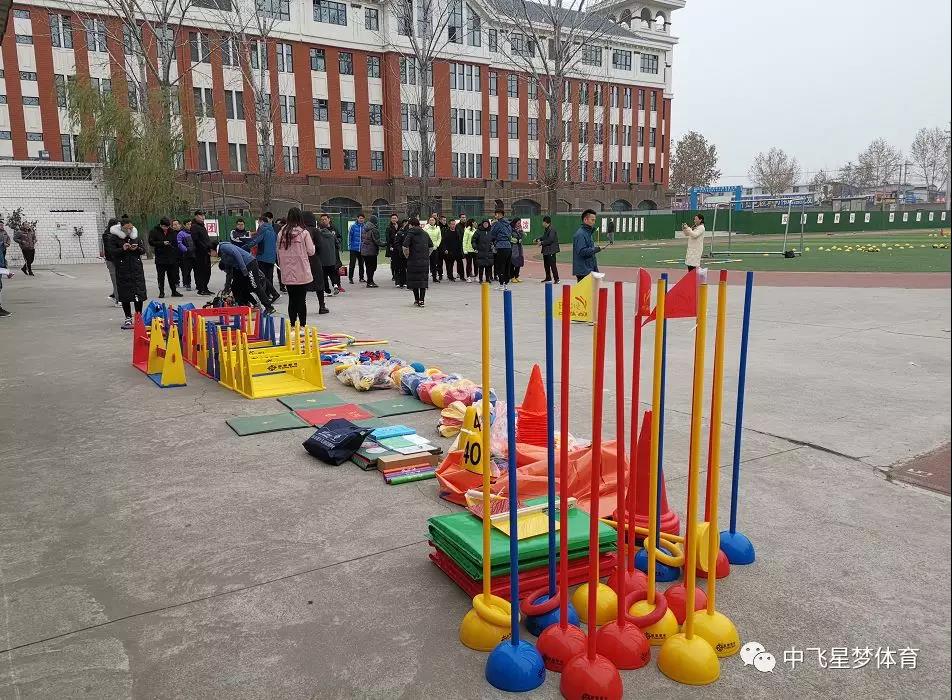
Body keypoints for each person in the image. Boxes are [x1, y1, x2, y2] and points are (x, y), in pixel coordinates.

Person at [105, 216, 148, 329]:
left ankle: (139, 316)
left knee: (139, 292)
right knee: (125, 294)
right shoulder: (114, 237)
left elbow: (143, 250)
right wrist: (122, 249)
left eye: (131, 228)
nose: (129, 230)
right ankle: (128, 317)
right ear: (121, 227)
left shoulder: (135, 235)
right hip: (122, 268)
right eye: (126, 228)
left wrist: (136, 248)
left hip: (136, 267)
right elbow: (111, 252)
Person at [277, 208, 316, 326]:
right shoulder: (304, 233)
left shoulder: (281, 234)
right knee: (301, 300)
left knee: (292, 299)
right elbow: (311, 251)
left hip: (287, 271)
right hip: (301, 271)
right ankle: (303, 325)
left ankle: (293, 325)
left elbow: (277, 252)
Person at [215, 240, 275, 314]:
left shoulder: (224, 247)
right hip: (239, 268)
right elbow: (229, 274)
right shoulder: (223, 256)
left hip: (249, 264)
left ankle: (269, 307)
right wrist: (227, 288)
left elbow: (237, 254)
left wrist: (243, 269)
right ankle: (243, 306)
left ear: (212, 250)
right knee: (236, 287)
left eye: (210, 253)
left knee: (255, 286)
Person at [148, 217, 182, 299]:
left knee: (172, 276)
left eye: (167, 226)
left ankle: (174, 291)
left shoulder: (172, 231)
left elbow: (175, 243)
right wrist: (162, 243)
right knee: (161, 276)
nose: (166, 228)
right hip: (160, 257)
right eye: (164, 227)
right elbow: (151, 242)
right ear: (161, 225)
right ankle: (161, 292)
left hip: (171, 257)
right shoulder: (154, 231)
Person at [304, 211, 331, 315]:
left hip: (304, 261)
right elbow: (320, 246)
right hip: (314, 260)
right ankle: (321, 306)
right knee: (319, 283)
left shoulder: (302, 231)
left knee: (303, 284)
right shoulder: (315, 231)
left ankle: (302, 306)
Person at [403, 217, 432, 307]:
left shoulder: (410, 233)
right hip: (424, 261)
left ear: (411, 225)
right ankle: (422, 300)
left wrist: (407, 255)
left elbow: (405, 246)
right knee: (423, 281)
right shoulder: (425, 233)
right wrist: (426, 255)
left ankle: (416, 299)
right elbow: (431, 246)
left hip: (413, 261)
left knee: (414, 280)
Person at [572, 209, 601, 282]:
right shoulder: (580, 234)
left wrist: (595, 269)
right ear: (585, 220)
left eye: (594, 220)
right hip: (583, 271)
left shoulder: (588, 233)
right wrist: (596, 249)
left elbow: (590, 254)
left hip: (589, 269)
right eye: (592, 220)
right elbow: (582, 251)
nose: (594, 222)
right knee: (584, 290)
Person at [317, 213, 343, 296]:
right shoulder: (319, 231)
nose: (323, 221)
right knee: (330, 272)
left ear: (329, 219)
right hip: (327, 255)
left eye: (325, 219)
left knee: (334, 271)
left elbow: (339, 238)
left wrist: (336, 243)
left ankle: (336, 286)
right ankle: (333, 286)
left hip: (333, 253)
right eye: (322, 219)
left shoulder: (334, 228)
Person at [190, 210, 213, 295]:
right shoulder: (194, 226)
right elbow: (196, 241)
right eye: (201, 215)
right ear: (196, 216)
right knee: (201, 271)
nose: (203, 217)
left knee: (207, 271)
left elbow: (205, 239)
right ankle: (201, 289)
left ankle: (205, 288)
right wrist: (205, 248)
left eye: (203, 215)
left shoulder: (202, 226)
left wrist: (210, 247)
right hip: (199, 253)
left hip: (206, 252)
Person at [490, 208, 513, 289]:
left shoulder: (497, 224)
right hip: (508, 246)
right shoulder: (508, 224)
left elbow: (492, 234)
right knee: (507, 265)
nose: (495, 216)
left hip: (501, 246)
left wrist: (492, 225)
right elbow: (510, 234)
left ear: (499, 214)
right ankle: (506, 284)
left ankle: (501, 284)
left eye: (496, 214)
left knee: (500, 265)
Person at [101, 217, 120, 304]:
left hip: (117, 259)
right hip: (111, 260)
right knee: (115, 280)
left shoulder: (116, 234)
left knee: (119, 279)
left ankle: (114, 295)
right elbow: (110, 249)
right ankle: (118, 300)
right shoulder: (107, 235)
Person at [536, 215, 561, 283]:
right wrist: (537, 239)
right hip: (546, 251)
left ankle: (556, 279)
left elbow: (550, 240)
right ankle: (548, 278)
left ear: (546, 222)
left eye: (543, 222)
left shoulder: (552, 229)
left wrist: (541, 243)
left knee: (552, 265)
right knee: (546, 265)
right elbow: (544, 237)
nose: (542, 223)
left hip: (551, 250)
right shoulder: (547, 229)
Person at [361, 214, 382, 288]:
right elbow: (377, 241)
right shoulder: (374, 229)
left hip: (364, 251)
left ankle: (369, 281)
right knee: (372, 267)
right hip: (372, 251)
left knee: (368, 267)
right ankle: (370, 281)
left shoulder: (364, 228)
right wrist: (387, 243)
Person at [443, 214, 465, 282]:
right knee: (450, 265)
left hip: (458, 250)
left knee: (460, 264)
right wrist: (445, 249)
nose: (453, 225)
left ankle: (462, 276)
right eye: (452, 224)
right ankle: (450, 277)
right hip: (450, 251)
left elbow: (461, 240)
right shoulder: (446, 232)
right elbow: (444, 241)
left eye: (454, 224)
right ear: (449, 225)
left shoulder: (458, 231)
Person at [472, 218, 495, 283]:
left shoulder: (490, 231)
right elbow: (473, 240)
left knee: (488, 266)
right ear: (482, 224)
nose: (485, 225)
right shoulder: (478, 231)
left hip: (489, 251)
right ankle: (480, 279)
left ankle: (487, 279)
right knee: (481, 267)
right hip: (481, 251)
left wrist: (493, 245)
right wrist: (475, 247)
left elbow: (494, 240)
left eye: (487, 223)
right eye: (484, 223)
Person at [176, 220, 195, 291]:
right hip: (187, 255)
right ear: (184, 225)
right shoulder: (181, 233)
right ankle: (187, 284)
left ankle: (199, 284)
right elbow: (179, 243)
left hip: (195, 254)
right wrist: (186, 249)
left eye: (190, 224)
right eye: (188, 224)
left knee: (197, 270)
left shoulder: (194, 232)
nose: (190, 225)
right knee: (187, 271)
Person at [423, 215, 442, 282]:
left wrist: (436, 245)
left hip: (435, 248)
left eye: (433, 220)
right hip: (427, 249)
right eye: (430, 220)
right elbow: (423, 237)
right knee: (426, 264)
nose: (431, 221)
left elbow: (439, 238)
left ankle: (434, 277)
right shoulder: (425, 228)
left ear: (435, 221)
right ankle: (425, 277)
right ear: (428, 221)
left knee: (434, 263)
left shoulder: (438, 228)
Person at [347, 213, 366, 284]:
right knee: (352, 264)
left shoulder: (365, 227)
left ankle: (361, 278)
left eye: (362, 218)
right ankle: (350, 278)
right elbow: (349, 236)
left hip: (362, 249)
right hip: (353, 249)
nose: (361, 219)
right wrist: (349, 246)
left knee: (361, 264)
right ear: (357, 218)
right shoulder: (353, 226)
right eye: (360, 218)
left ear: (364, 219)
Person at [509, 218, 525, 283]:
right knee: (513, 262)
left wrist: (521, 232)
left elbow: (522, 237)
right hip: (513, 248)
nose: (519, 224)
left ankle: (517, 276)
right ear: (514, 223)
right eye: (518, 223)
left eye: (520, 223)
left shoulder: (519, 229)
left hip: (519, 248)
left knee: (519, 262)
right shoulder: (510, 229)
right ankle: (512, 277)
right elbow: (509, 238)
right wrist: (516, 240)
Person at [462, 217, 477, 282]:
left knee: (476, 264)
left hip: (475, 250)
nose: (475, 223)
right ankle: (468, 277)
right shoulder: (467, 230)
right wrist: (464, 249)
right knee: (469, 264)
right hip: (468, 250)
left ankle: (476, 276)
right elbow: (464, 240)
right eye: (474, 222)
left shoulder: (475, 230)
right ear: (471, 223)